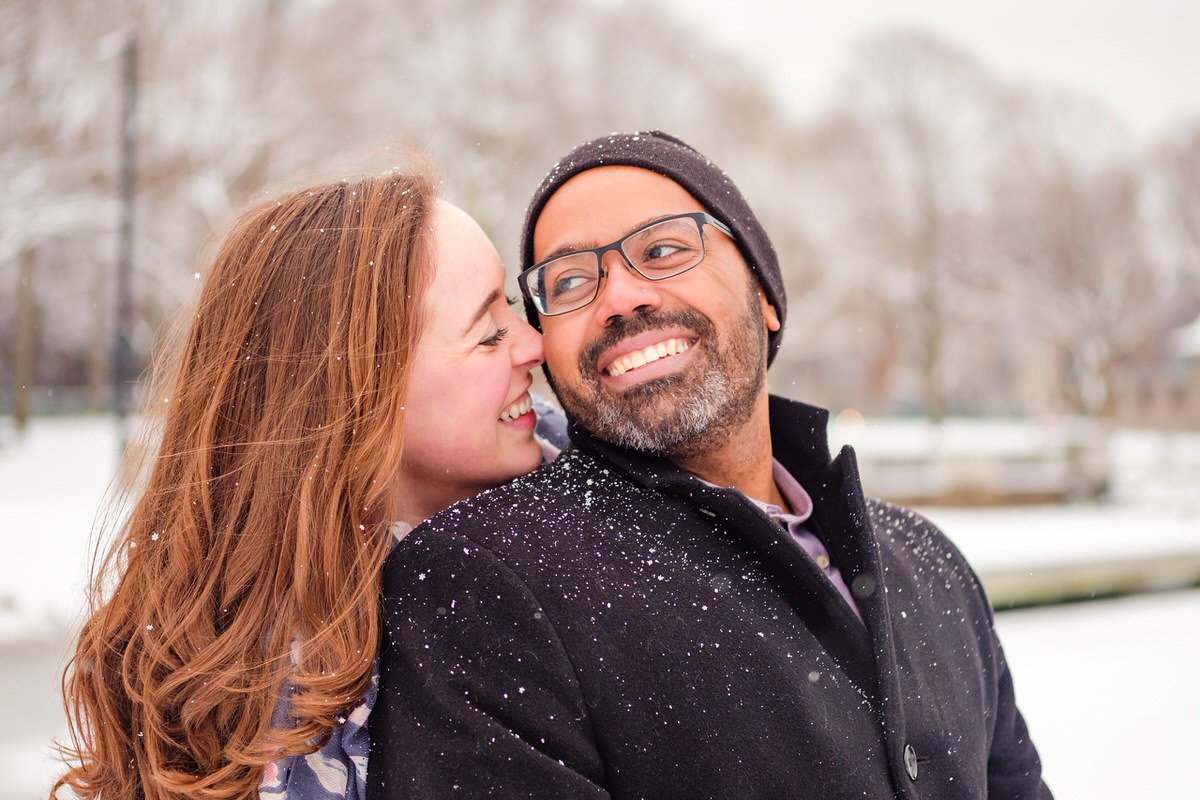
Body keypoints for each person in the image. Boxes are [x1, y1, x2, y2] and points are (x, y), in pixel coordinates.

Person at [366, 131, 1054, 799]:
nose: (621, 296)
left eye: (662, 249)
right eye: (570, 280)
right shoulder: (484, 576)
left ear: (763, 292)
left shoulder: (929, 563)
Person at [54, 167, 561, 800]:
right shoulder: (274, 708)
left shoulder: (601, 498)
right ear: (357, 399)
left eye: (510, 310)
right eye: (488, 334)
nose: (535, 345)